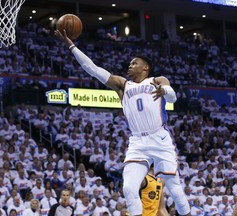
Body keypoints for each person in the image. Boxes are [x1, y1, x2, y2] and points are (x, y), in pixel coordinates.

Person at [55, 30, 190, 216]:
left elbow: (173, 97)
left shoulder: (157, 80)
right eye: (130, 63)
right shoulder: (122, 85)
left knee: (175, 189)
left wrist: (165, 92)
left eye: (134, 63)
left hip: (160, 138)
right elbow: (93, 69)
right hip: (137, 142)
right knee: (128, 188)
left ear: (145, 68)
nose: (130, 65)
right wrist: (72, 46)